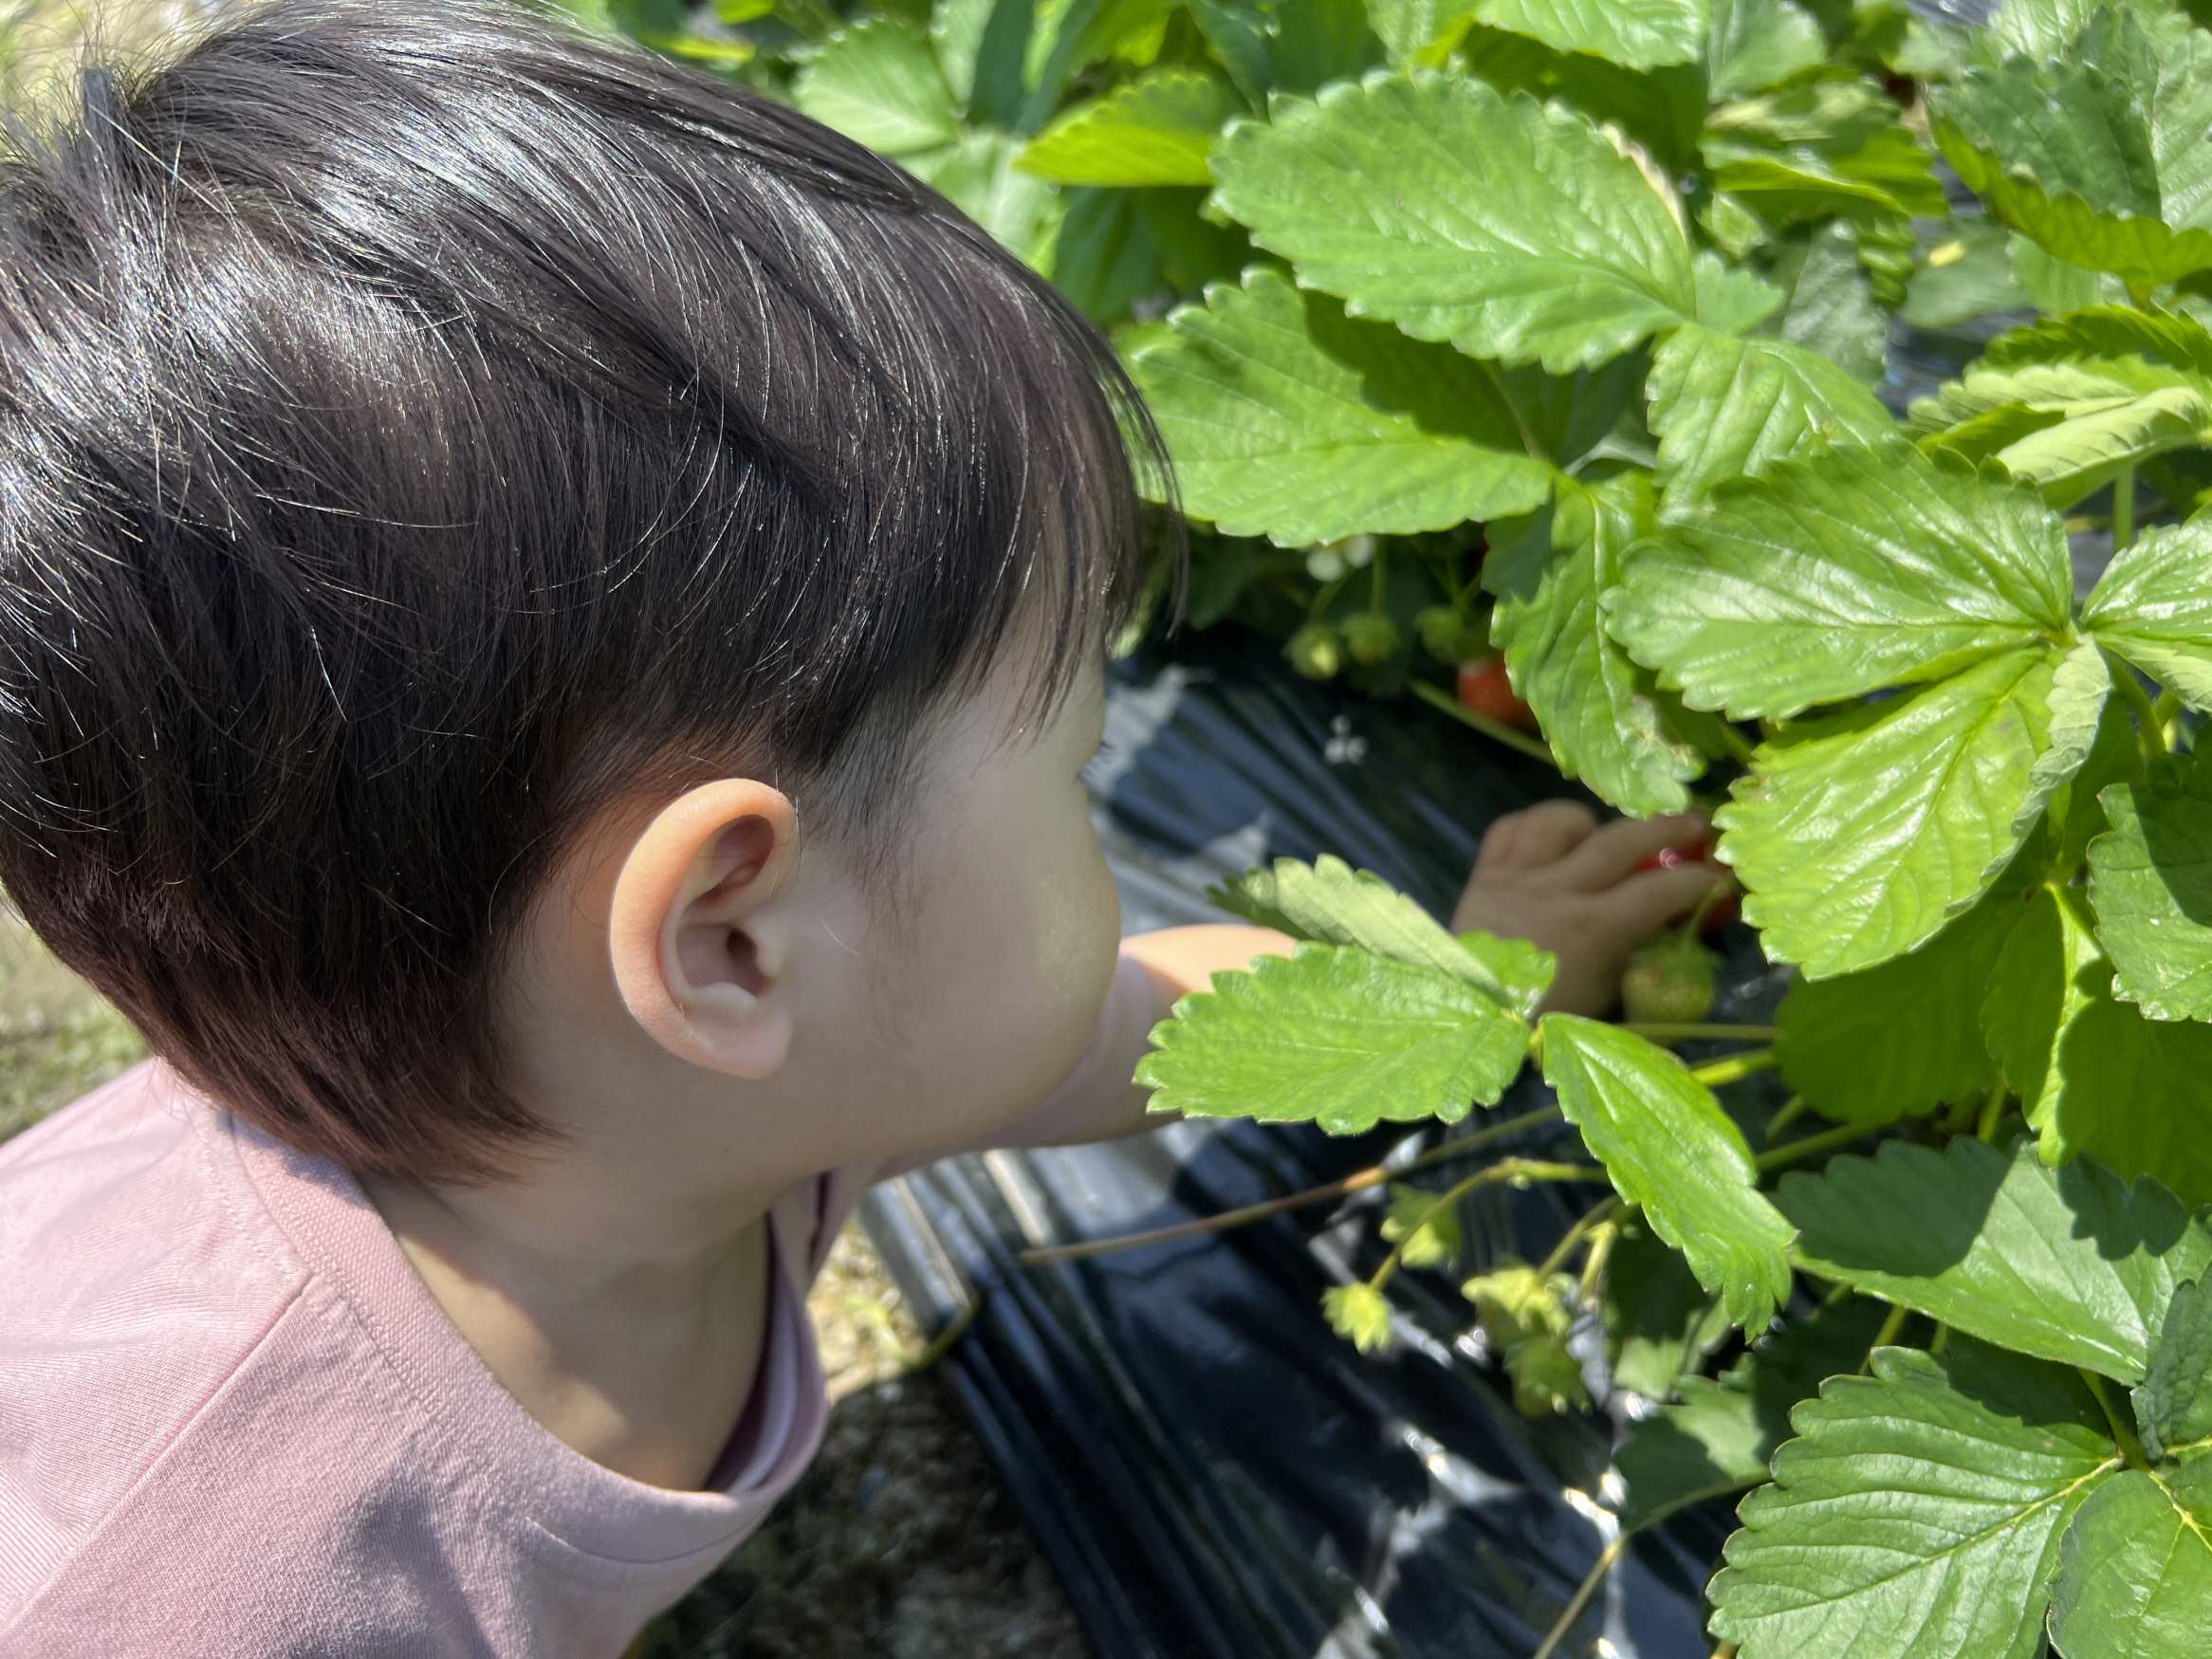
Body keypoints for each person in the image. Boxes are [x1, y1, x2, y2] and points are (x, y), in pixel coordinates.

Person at [0, 5, 1725, 1653]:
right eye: (1069, 759)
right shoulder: (175, 1580)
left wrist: (1477, 983)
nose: (1093, 802)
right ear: (734, 939)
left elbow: (1152, 1026)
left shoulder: (650, 1098)